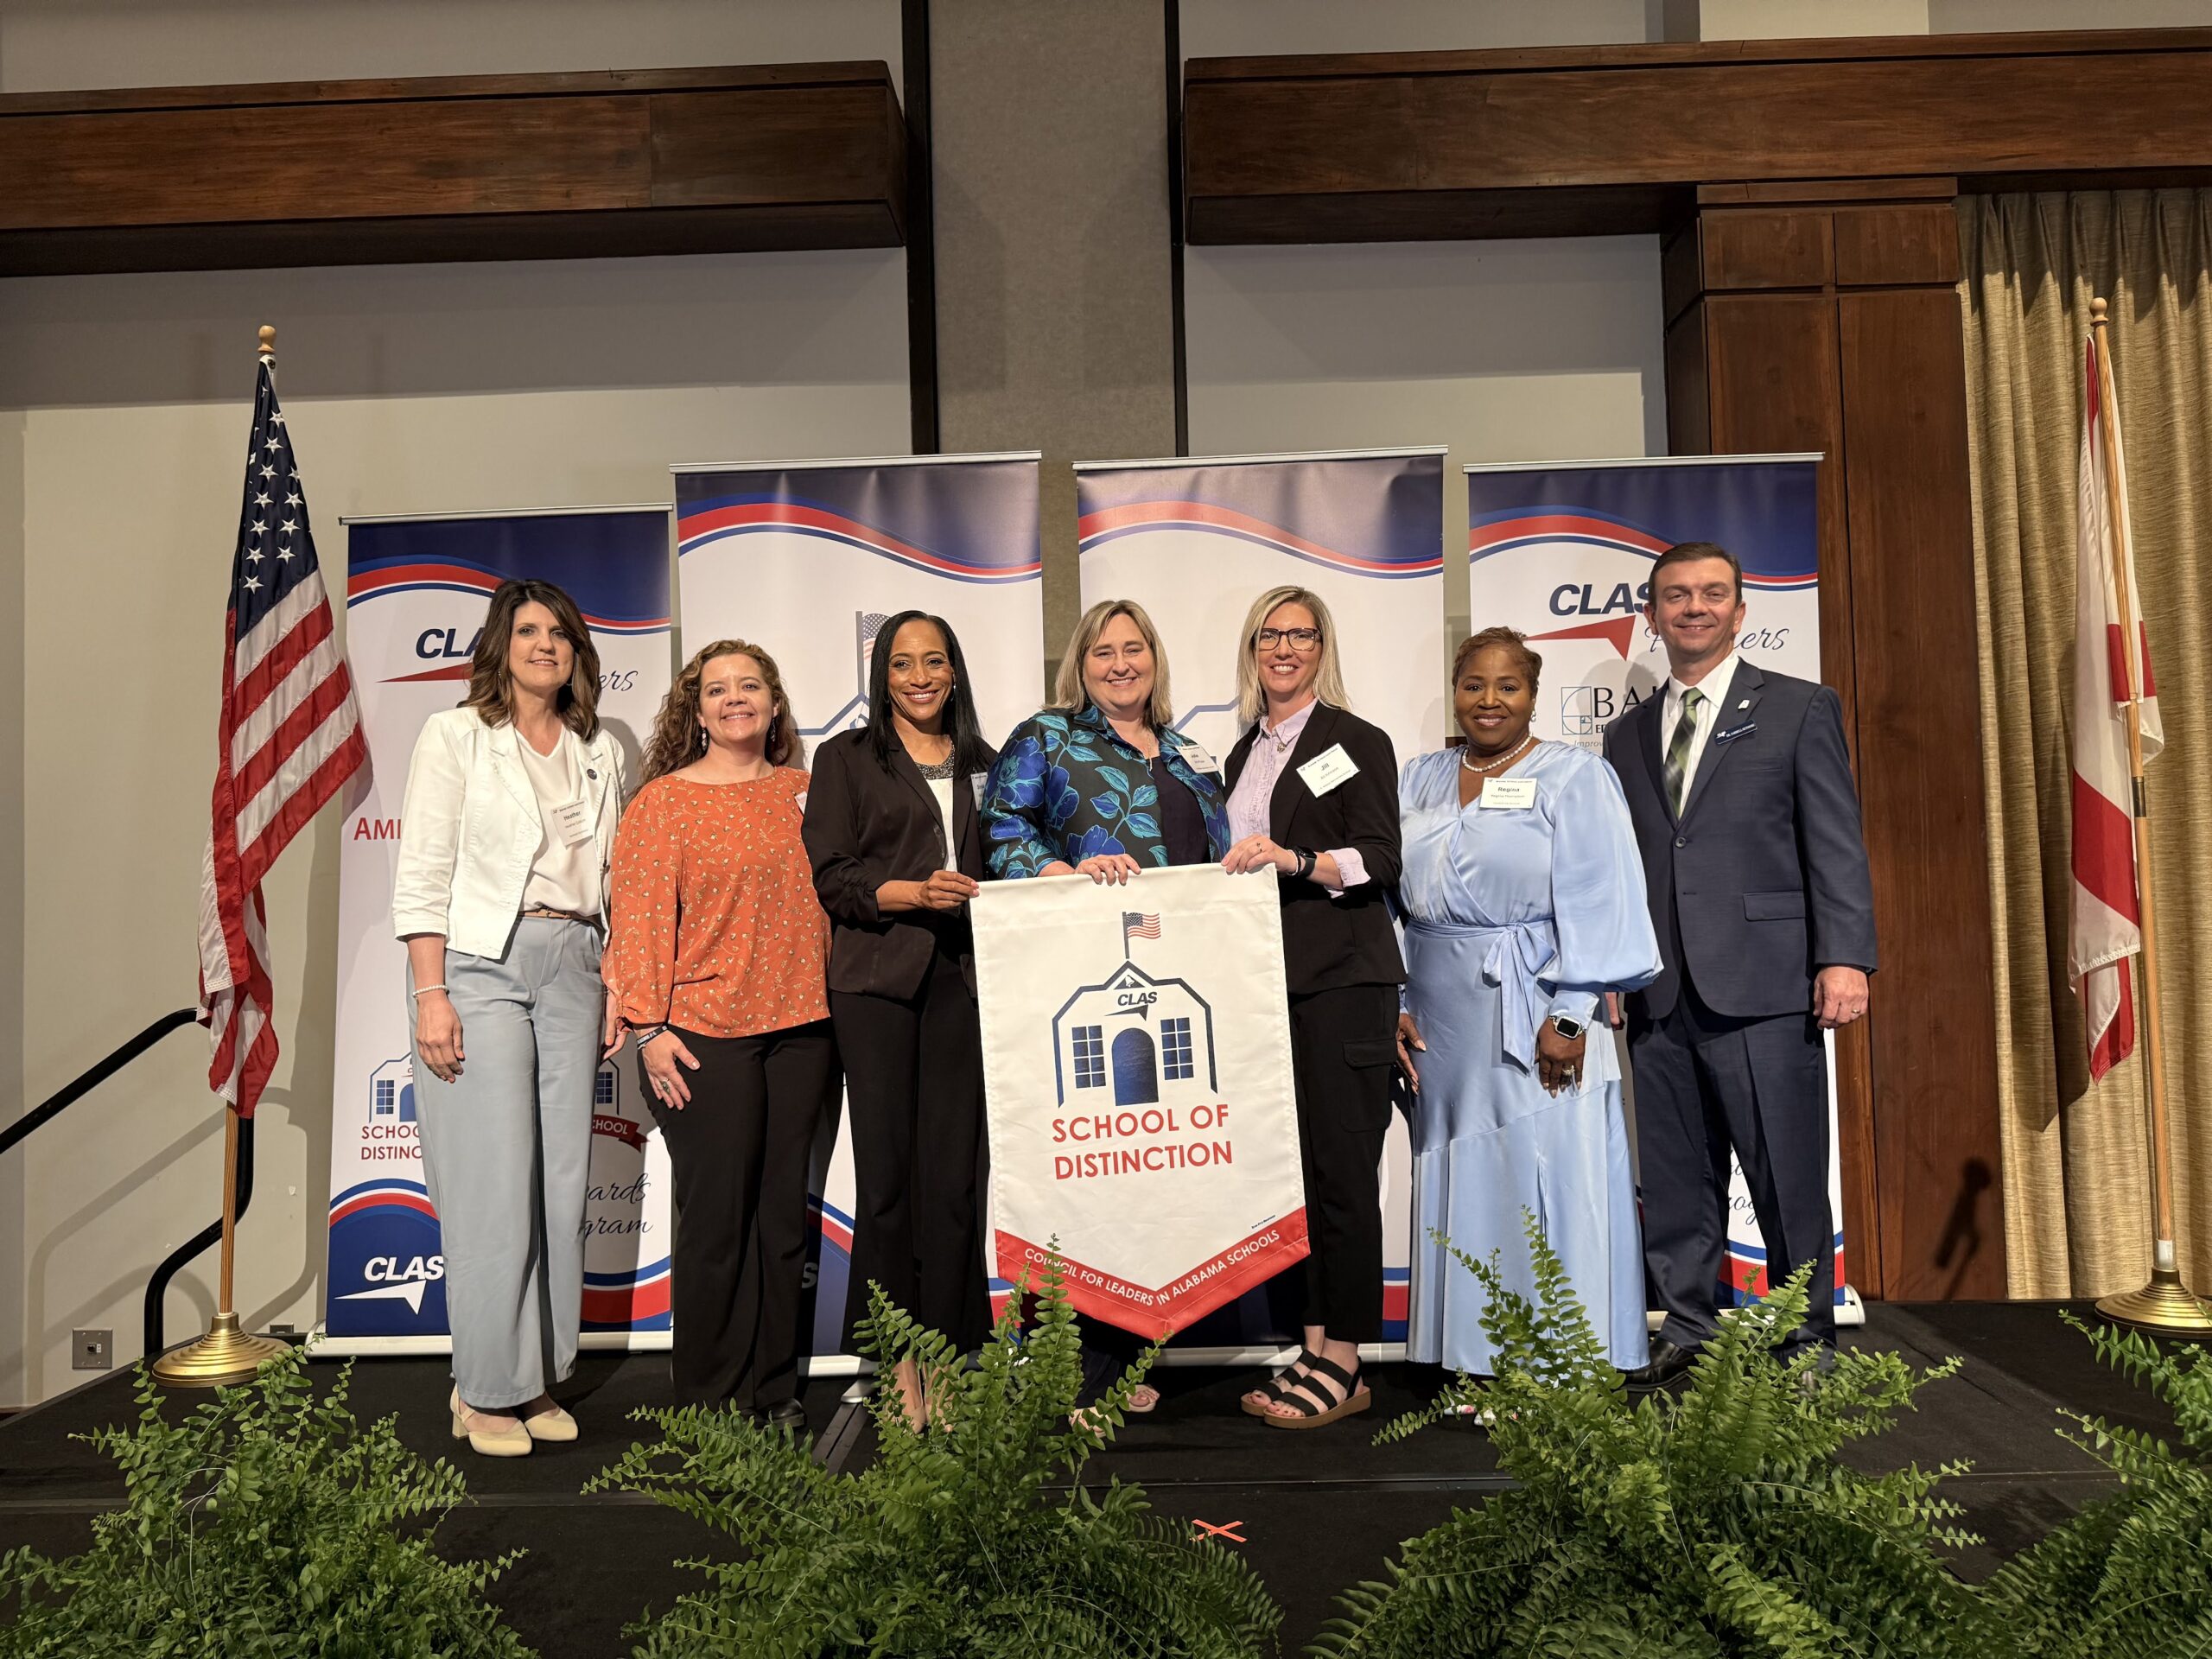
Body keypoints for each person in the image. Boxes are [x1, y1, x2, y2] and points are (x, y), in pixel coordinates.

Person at [1601, 541, 1876, 1383]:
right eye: (1675, 596)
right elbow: (1624, 865)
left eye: (1711, 594)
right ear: (1650, 616)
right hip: (1658, 987)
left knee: (1785, 1172)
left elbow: (1835, 842)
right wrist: (1614, 968)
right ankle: (1688, 1326)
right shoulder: (1625, 735)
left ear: (1740, 612)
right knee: (1679, 1177)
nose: (1693, 608)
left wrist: (1845, 958)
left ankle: (1805, 1337)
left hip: (1766, 981)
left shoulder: (1798, 708)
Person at [392, 578, 626, 1458]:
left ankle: (528, 1377)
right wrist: (431, 994)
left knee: (557, 1183)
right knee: (493, 1183)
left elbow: (612, 884)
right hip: (478, 965)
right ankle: (483, 1389)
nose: (545, 645)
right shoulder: (455, 736)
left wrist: (615, 984)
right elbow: (422, 871)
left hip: (573, 966)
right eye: (527, 631)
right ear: (499, 645)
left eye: (559, 632)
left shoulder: (600, 748)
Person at [982, 597, 1229, 1412]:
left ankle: (1124, 1364)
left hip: (1180, 983)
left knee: (1151, 1172)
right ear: (1080, 666)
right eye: (1103, 653)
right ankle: (1053, 1370)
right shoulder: (1047, 737)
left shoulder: (1193, 752)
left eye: (1134, 649)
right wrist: (1067, 876)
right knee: (1082, 1171)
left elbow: (1216, 858)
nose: (1120, 664)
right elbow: (1002, 832)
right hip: (1079, 983)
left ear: (1155, 658)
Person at [1394, 628, 1662, 1379]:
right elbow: (1391, 900)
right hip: (1442, 1021)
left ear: (1534, 695)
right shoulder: (1418, 777)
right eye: (1474, 685)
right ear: (1455, 690)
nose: (1489, 701)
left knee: (1544, 1174)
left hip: (1540, 1007)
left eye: (1507, 686)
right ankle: (1471, 1359)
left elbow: (1605, 900)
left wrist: (1572, 1012)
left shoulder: (1575, 778)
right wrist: (1397, 998)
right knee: (1468, 1177)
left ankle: (1554, 1366)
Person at [604, 639, 834, 1429]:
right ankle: (708, 1401)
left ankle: (775, 1390)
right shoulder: (663, 802)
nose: (735, 698)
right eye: (716, 689)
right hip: (701, 1037)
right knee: (715, 1224)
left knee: (780, 1221)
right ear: (695, 709)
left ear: (774, 702)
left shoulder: (809, 793)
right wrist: (648, 1028)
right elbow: (636, 922)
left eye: (750, 685)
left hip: (805, 1031)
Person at [802, 612, 995, 1427]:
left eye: (935, 661)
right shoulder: (844, 759)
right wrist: (911, 892)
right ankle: (901, 1360)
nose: (920, 676)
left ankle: (950, 1359)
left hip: (967, 986)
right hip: (876, 986)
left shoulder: (993, 764)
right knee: (888, 1185)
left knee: (955, 1184)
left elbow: (1018, 857)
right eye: (903, 662)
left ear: (955, 671)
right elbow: (834, 876)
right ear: (882, 675)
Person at [1220, 585, 1404, 1430]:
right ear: (1252, 648)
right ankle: (1314, 1339)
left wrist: (1298, 859)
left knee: (1342, 1176)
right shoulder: (1240, 756)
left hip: (1343, 985)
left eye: (1300, 634)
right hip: (1267, 993)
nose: (1284, 648)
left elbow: (1379, 858)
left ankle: (1347, 1360)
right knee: (1296, 1182)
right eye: (1270, 634)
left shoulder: (1353, 741)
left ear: (1321, 647)